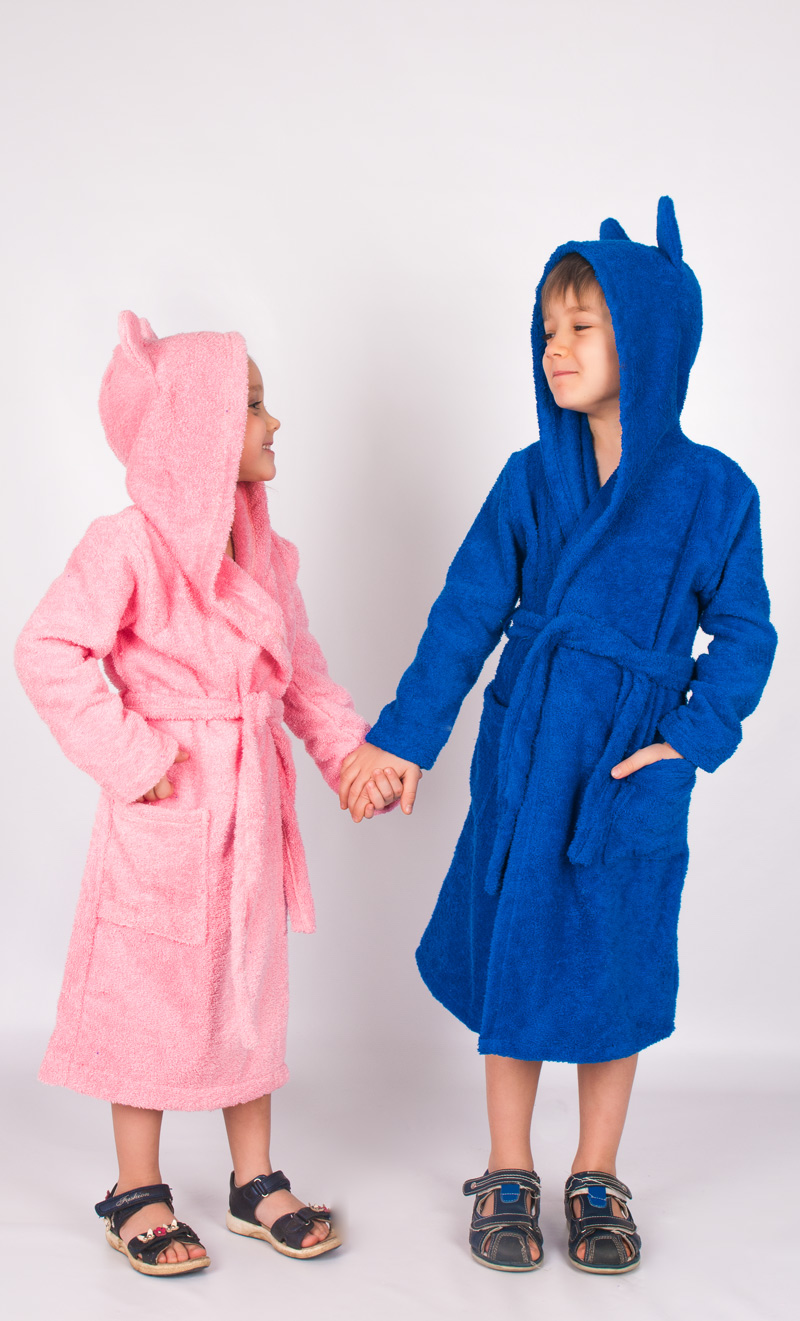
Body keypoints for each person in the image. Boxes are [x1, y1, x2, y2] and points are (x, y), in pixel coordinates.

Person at [339, 198, 777, 1274]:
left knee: (614, 962)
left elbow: (747, 633)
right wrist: (405, 738)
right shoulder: (530, 479)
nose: (556, 348)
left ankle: (596, 1171)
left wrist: (688, 740)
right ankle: (506, 1166)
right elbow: (464, 615)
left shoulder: (715, 492)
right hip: (530, 754)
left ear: (651, 341)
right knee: (516, 951)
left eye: (584, 326)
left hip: (624, 765)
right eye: (546, 328)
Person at [15, 313, 370, 1275]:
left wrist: (350, 760)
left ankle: (254, 1181)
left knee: (249, 985)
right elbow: (47, 649)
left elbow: (303, 677)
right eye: (251, 405)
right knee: (149, 992)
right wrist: (135, 757)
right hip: (168, 804)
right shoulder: (126, 544)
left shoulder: (270, 556)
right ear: (195, 430)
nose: (273, 422)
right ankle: (137, 1187)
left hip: (249, 805)